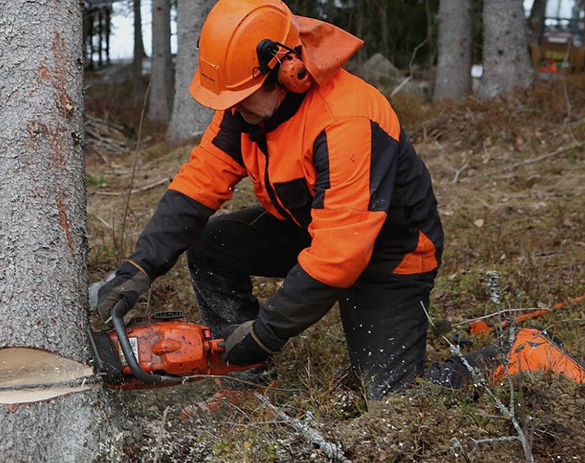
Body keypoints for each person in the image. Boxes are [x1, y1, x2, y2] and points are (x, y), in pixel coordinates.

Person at [96, 0, 585, 399]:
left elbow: (338, 257)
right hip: (314, 224)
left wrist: (267, 331)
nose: (233, 111)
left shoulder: (344, 120)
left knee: (396, 400)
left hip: (389, 254)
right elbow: (198, 182)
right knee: (212, 244)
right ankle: (243, 370)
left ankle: (521, 352)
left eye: (242, 97)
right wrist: (139, 267)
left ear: (287, 71)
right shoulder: (246, 112)